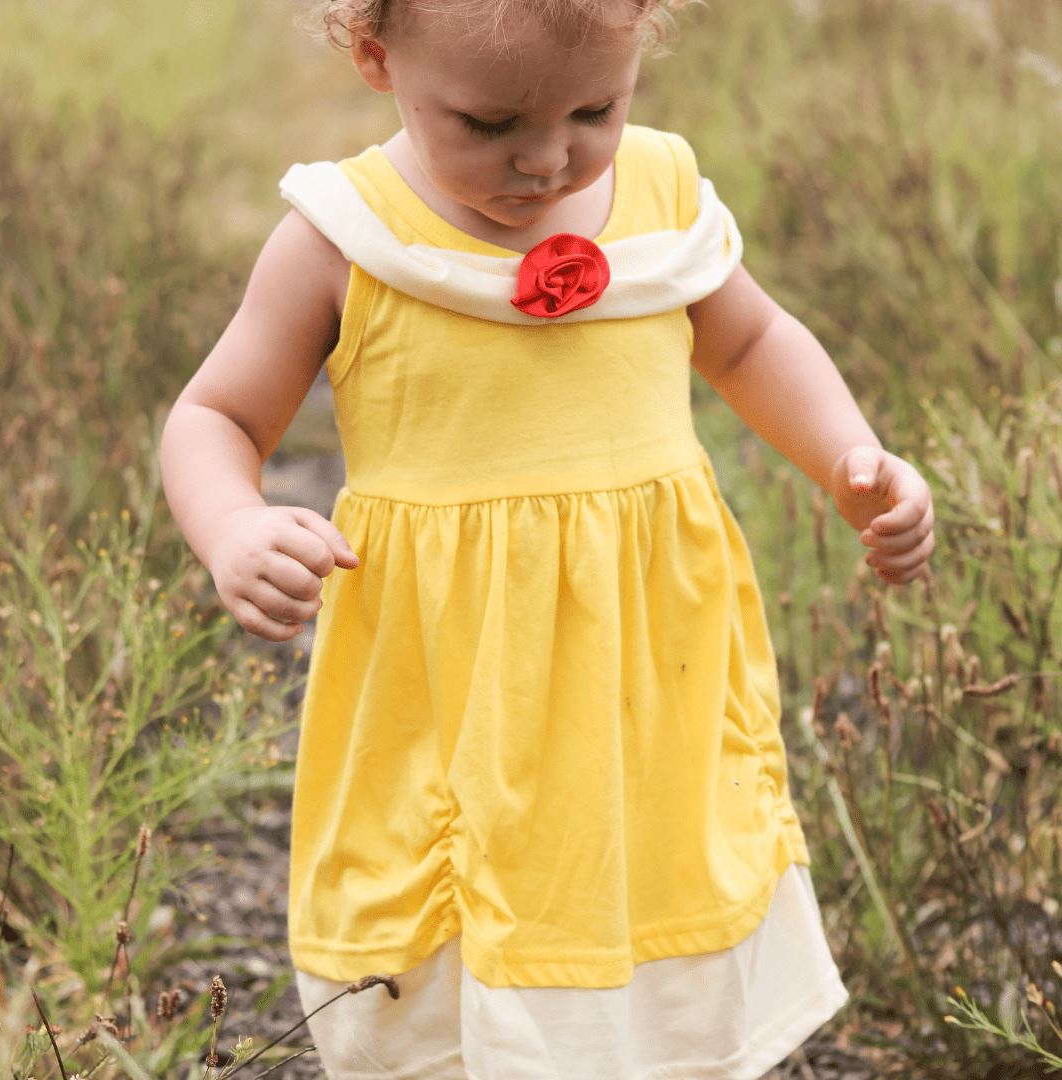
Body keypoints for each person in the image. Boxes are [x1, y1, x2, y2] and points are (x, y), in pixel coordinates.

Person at [159, 0, 936, 1075]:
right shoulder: (348, 237)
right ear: (379, 58)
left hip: (643, 663)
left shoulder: (661, 194)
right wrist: (232, 526)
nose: (548, 159)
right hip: (453, 676)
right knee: (460, 905)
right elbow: (215, 418)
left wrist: (857, 460)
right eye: (488, 124)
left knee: (651, 880)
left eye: (594, 108)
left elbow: (754, 338)